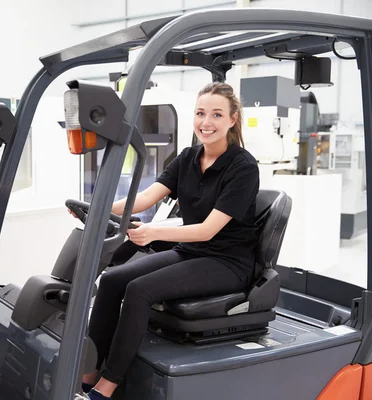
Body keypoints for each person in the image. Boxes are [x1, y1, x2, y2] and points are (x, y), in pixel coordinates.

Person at [78, 82, 260, 400]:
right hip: (192, 252)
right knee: (112, 279)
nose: (207, 122)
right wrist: (98, 208)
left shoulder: (243, 167)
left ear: (233, 119)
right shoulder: (188, 157)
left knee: (139, 291)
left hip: (227, 261)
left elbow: (207, 230)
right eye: (201, 113)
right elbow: (146, 198)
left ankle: (106, 387)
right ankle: (86, 373)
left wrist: (153, 232)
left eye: (217, 114)